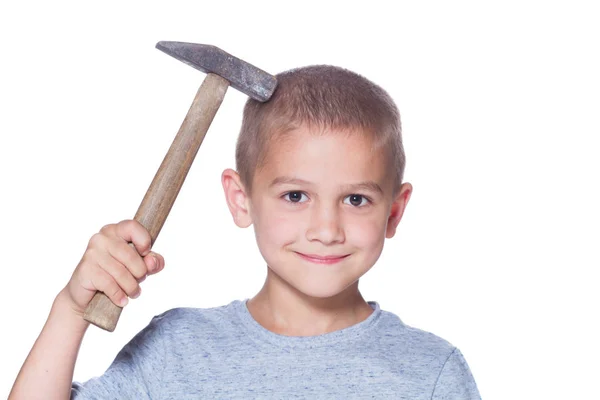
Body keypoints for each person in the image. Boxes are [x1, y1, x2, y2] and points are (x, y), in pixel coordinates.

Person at [10, 65, 481, 399]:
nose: (325, 229)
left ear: (394, 213)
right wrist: (70, 311)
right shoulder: (178, 350)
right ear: (241, 199)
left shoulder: (429, 374)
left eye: (355, 199)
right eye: (296, 196)